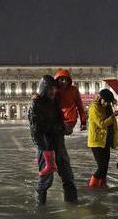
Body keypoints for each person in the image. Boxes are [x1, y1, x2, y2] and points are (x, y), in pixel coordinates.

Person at [28, 75, 78, 205]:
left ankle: (72, 205)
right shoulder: (36, 104)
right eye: (50, 89)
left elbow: (59, 119)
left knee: (68, 177)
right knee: (45, 181)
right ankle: (40, 208)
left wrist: (65, 127)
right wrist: (44, 150)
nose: (53, 91)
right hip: (46, 147)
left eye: (54, 89)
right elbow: (36, 131)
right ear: (43, 88)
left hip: (59, 144)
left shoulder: (54, 101)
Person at [87, 89, 118, 188]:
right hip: (97, 142)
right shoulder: (94, 108)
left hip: (106, 140)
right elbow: (101, 124)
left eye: (108, 102)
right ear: (100, 98)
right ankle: (92, 187)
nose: (106, 103)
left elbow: (111, 126)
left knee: (105, 167)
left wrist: (114, 139)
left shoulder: (107, 107)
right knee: (101, 167)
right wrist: (113, 116)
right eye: (105, 101)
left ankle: (102, 186)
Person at [54, 69, 86, 135]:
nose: (65, 82)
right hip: (57, 118)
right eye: (62, 79)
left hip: (70, 119)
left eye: (67, 80)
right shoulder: (54, 90)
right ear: (57, 80)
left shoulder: (74, 90)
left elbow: (80, 107)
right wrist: (37, 96)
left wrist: (83, 122)